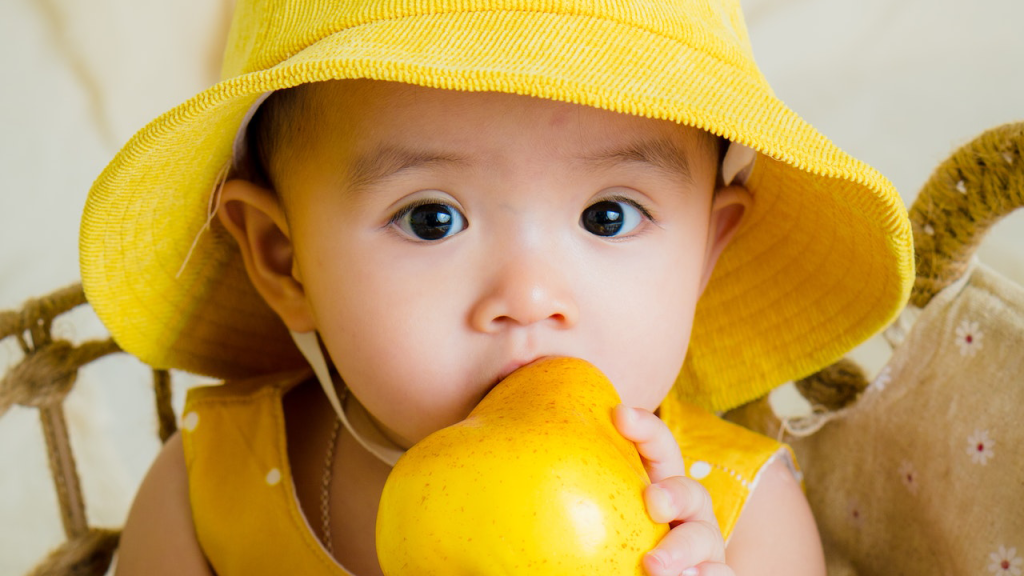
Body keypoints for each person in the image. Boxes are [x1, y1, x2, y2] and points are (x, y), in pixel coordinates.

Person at [79, 0, 913, 574]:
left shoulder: (738, 519)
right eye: (432, 219)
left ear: (706, 250)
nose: (530, 295)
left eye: (610, 216)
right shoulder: (212, 491)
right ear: (282, 257)